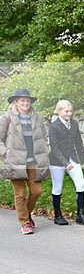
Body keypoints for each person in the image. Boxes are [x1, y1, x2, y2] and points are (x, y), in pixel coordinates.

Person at [0, 89, 50, 235]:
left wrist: (45, 151)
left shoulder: (37, 118)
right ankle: (25, 222)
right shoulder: (7, 118)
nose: (25, 103)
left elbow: (43, 137)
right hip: (15, 161)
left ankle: (26, 214)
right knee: (20, 194)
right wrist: (5, 153)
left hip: (33, 161)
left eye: (27, 100)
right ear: (16, 102)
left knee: (37, 191)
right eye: (22, 100)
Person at [49, 99, 84, 225]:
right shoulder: (54, 126)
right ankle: (57, 216)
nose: (69, 114)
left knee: (81, 184)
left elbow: (78, 142)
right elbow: (54, 148)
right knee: (57, 187)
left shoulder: (74, 124)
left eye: (71, 111)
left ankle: (80, 214)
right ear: (59, 111)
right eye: (66, 111)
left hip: (72, 158)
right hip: (57, 161)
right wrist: (65, 163)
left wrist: (82, 160)